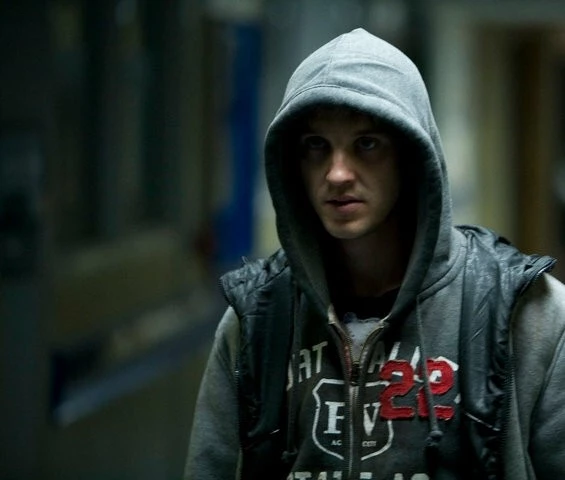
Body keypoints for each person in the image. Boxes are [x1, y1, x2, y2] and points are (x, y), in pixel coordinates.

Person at [184, 28, 565, 480]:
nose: (337, 173)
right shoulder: (256, 320)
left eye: (366, 144)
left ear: (410, 156)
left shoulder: (528, 315)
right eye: (316, 146)